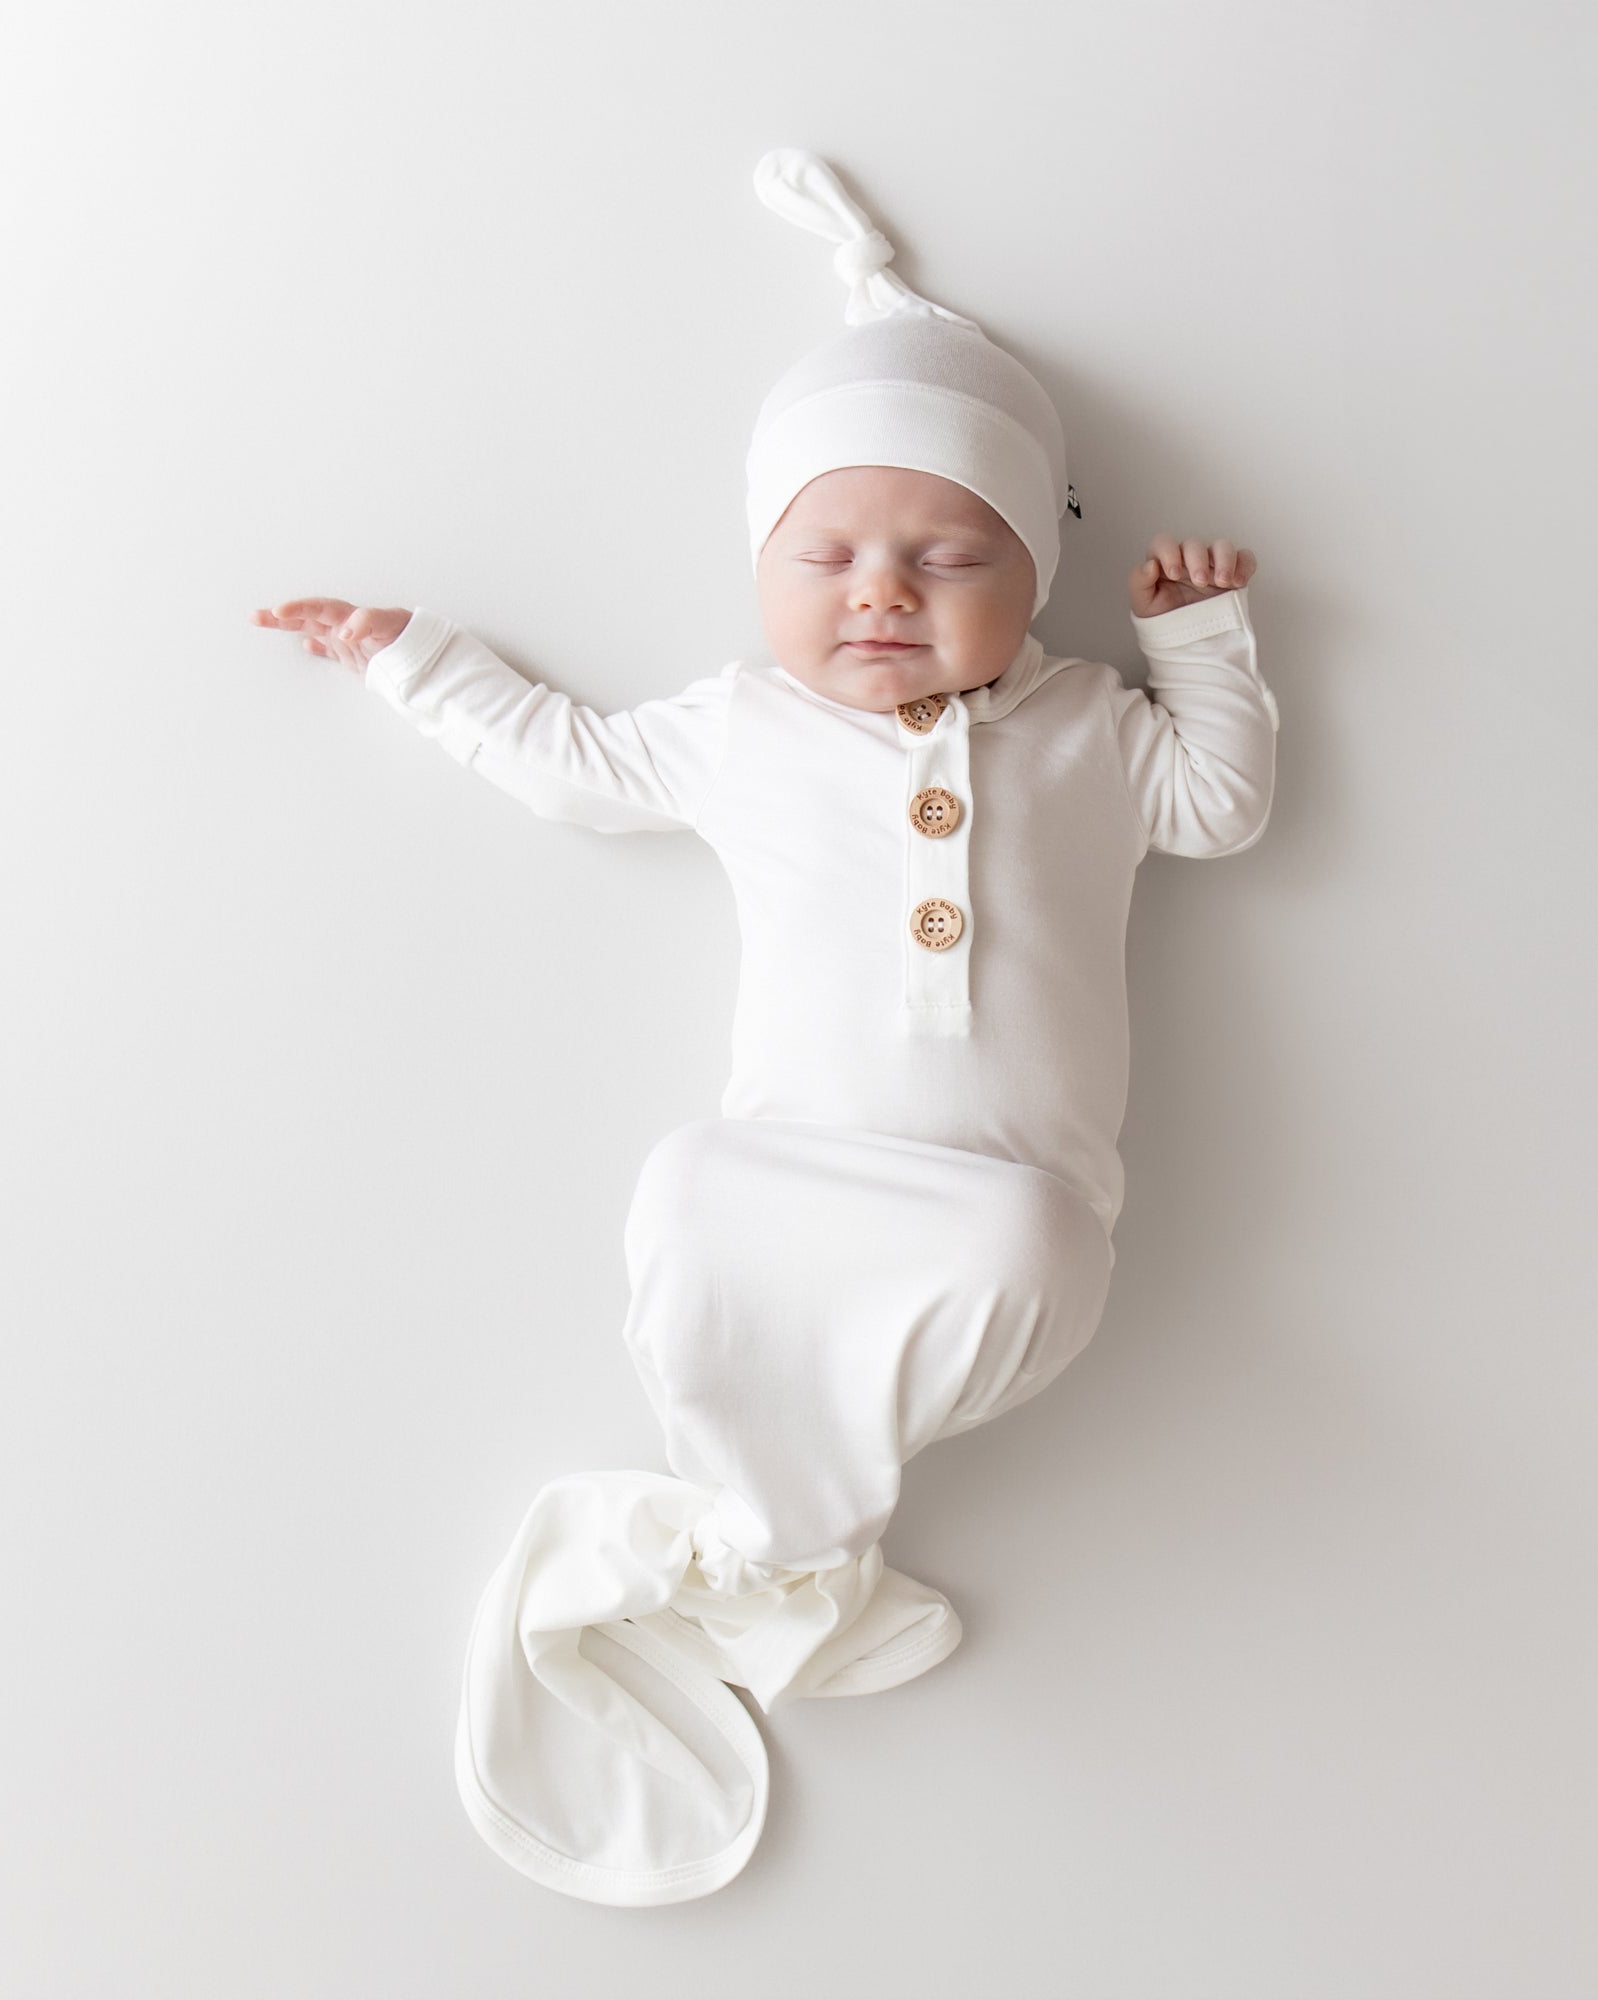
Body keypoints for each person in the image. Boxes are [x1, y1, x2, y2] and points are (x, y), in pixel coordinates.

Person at [249, 149, 1278, 1907]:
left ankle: (781, 1548)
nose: (881, 588)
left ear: (1034, 573)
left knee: (1032, 1231)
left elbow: (1223, 807)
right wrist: (414, 657)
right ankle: (777, 1538)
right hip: (792, 1175)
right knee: (686, 1183)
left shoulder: (1096, 727)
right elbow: (570, 766)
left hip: (1006, 1211)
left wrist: (1202, 643)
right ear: (764, 567)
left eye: (946, 555)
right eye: (830, 556)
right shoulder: (741, 729)